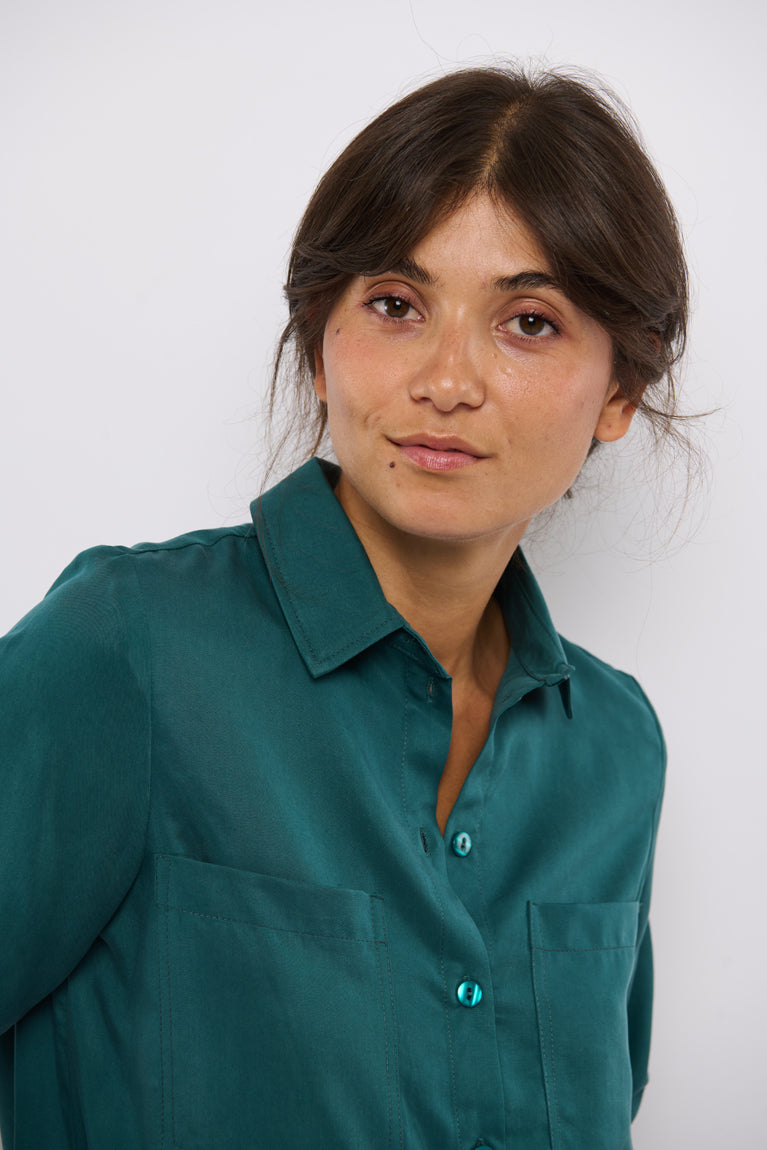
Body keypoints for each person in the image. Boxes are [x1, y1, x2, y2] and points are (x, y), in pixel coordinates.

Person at [0, 65, 687, 1149]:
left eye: (526, 321)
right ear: (320, 341)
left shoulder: (613, 746)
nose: (447, 380)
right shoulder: (128, 651)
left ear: (618, 392)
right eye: (395, 305)